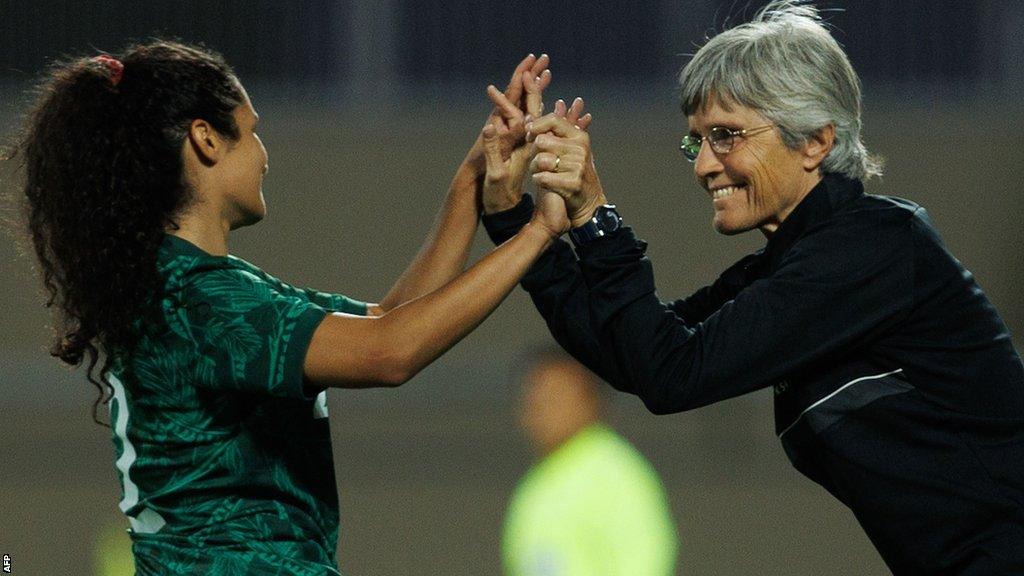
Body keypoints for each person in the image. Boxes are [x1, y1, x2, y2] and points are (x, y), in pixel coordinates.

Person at [480, 2, 1024, 574]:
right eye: (697, 141)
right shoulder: (802, 263)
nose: (704, 166)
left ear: (815, 141)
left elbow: (670, 373)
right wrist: (517, 221)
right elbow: (638, 355)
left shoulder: (872, 250)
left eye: (726, 136)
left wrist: (594, 214)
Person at [7, 40, 572, 574]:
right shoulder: (203, 302)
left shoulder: (193, 287)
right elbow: (391, 353)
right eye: (253, 132)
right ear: (205, 139)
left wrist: (473, 173)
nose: (264, 154)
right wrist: (538, 231)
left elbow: (386, 320)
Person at [503, 349, 678, 576]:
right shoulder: (541, 477)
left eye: (555, 398)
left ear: (590, 400)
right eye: (534, 399)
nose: (542, 410)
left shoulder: (615, 471)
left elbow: (646, 561)